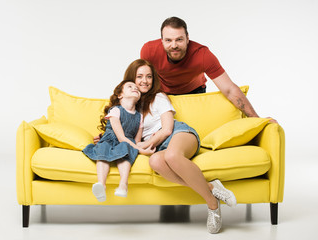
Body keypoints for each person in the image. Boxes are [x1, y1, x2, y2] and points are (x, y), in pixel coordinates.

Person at [95, 59, 237, 233]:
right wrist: (105, 138)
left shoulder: (158, 97)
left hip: (180, 134)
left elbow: (167, 129)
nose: (144, 81)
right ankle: (211, 186)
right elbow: (126, 135)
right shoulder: (131, 107)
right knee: (155, 162)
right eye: (139, 77)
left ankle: (212, 205)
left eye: (148, 76)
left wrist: (145, 145)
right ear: (131, 80)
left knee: (171, 156)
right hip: (161, 147)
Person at [140, 16, 277, 123]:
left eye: (179, 39)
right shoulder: (149, 50)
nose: (174, 45)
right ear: (162, 40)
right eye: (168, 40)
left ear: (188, 38)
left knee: (196, 129)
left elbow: (229, 89)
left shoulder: (202, 55)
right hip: (163, 94)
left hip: (194, 92)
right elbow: (143, 82)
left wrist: (256, 118)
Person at [83, 80, 155, 202]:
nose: (135, 88)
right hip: (112, 139)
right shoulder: (115, 110)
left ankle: (123, 185)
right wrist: (141, 150)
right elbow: (121, 137)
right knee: (103, 149)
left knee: (126, 148)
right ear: (120, 95)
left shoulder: (139, 116)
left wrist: (149, 141)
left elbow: (136, 141)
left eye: (137, 88)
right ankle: (101, 184)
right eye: (130, 86)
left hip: (127, 143)